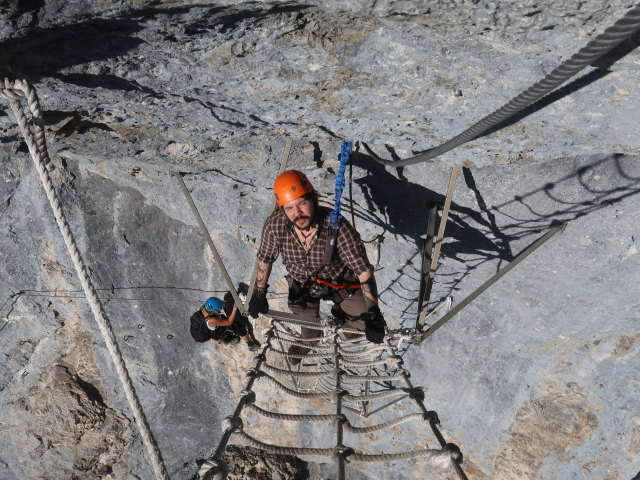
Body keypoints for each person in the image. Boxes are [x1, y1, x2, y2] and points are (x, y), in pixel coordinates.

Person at [247, 169, 386, 361]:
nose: (297, 213)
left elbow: (363, 271)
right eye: (289, 208)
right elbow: (265, 259)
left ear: (314, 198)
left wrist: (374, 312)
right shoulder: (275, 225)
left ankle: (342, 312)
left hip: (339, 282)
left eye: (302, 203)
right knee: (309, 332)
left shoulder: (336, 225)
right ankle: (309, 341)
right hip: (303, 286)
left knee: (361, 331)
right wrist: (259, 293)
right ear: (282, 209)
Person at [190, 294, 261, 351]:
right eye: (219, 309)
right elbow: (229, 322)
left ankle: (225, 337)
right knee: (238, 327)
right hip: (212, 331)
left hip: (204, 327)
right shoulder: (212, 320)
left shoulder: (205, 307)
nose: (220, 310)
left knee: (222, 318)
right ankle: (251, 345)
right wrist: (235, 307)